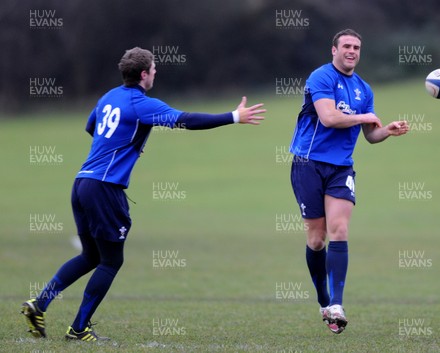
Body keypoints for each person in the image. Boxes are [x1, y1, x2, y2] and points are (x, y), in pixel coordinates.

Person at [21, 47, 266, 341]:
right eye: (153, 69)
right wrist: (234, 117)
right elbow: (185, 119)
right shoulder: (140, 104)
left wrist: (121, 143)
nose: (155, 73)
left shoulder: (108, 97)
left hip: (82, 182)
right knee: (111, 261)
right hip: (104, 189)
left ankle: (40, 303)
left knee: (90, 256)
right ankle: (79, 328)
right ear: (143, 74)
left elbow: (91, 127)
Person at [289, 29, 409, 334]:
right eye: (346, 46)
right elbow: (328, 118)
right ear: (334, 50)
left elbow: (371, 136)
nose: (352, 51)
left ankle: (338, 305)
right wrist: (364, 117)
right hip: (308, 163)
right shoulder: (321, 77)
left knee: (339, 229)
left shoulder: (363, 89)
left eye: (356, 47)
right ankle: (324, 301)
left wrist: (387, 130)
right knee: (317, 239)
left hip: (341, 169)